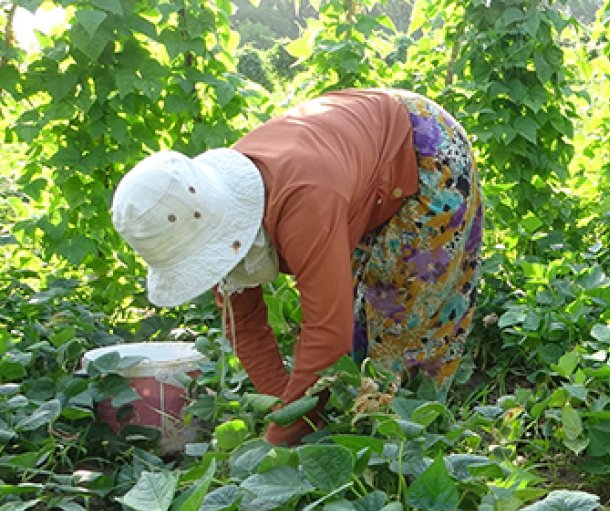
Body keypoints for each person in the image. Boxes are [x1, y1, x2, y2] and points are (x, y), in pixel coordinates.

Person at [112, 89, 483, 446]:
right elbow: (245, 325)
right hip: (355, 156)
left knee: (403, 316)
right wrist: (284, 411)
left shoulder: (304, 201)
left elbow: (327, 333)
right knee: (354, 320)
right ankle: (357, 428)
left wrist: (279, 443)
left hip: (423, 150)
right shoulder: (198, 210)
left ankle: (419, 437)